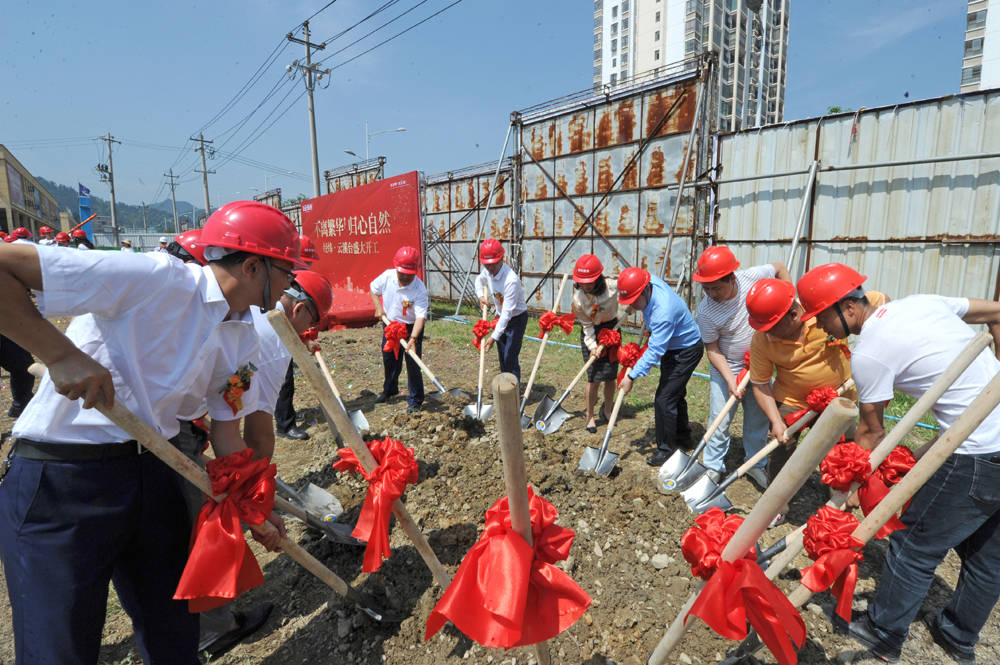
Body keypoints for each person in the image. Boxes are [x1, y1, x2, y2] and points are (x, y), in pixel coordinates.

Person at [0, 199, 302, 665]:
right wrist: (59, 354)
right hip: (62, 479)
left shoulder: (243, 334)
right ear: (252, 266)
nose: (289, 285)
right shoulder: (156, 278)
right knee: (58, 648)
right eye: (286, 272)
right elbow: (5, 267)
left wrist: (250, 504)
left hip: (152, 473)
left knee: (174, 636)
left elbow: (227, 432)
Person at [798, 263, 1000, 665]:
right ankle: (957, 634)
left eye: (820, 316)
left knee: (913, 545)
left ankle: (883, 632)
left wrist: (848, 487)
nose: (818, 327)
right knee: (987, 556)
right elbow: (998, 310)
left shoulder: (871, 351)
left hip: (976, 448)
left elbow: (871, 433)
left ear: (847, 308)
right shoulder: (922, 303)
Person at [692, 245, 789, 487]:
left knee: (757, 418)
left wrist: (789, 296)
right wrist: (730, 380)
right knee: (720, 418)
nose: (712, 293)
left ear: (732, 277)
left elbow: (779, 268)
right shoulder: (705, 311)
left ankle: (755, 464)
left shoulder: (751, 277)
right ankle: (713, 467)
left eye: (717, 287)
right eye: (706, 288)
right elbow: (712, 349)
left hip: (760, 364)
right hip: (728, 365)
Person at [616, 266, 704, 467]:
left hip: (686, 349)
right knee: (675, 394)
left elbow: (655, 351)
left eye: (635, 300)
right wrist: (632, 303)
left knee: (664, 399)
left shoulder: (663, 311)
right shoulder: (647, 281)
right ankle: (683, 437)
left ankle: (667, 450)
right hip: (674, 346)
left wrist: (631, 377)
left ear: (646, 289)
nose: (634, 306)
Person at [370, 246, 429, 414]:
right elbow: (373, 289)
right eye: (401, 273)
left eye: (408, 274)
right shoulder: (388, 276)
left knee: (413, 362)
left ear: (415, 272)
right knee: (389, 358)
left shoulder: (419, 289)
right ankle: (390, 389)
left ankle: (415, 399)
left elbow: (420, 317)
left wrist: (413, 338)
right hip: (390, 324)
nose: (403, 277)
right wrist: (378, 308)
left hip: (411, 328)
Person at [571, 254, 618, 433]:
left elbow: (630, 287)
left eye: (590, 281)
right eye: (582, 282)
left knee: (610, 375)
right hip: (592, 332)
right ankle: (590, 415)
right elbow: (586, 324)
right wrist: (592, 346)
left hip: (613, 329)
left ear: (598, 277)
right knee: (593, 377)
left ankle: (608, 409)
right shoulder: (579, 299)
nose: (586, 285)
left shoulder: (612, 287)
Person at [475, 238, 528, 381]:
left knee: (510, 356)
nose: (489, 268)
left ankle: (513, 391)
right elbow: (479, 281)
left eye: (492, 264)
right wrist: (480, 296)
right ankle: (504, 388)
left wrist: (493, 337)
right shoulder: (487, 272)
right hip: (500, 317)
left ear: (501, 259)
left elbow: (507, 314)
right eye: (486, 264)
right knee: (502, 355)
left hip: (516, 318)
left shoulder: (511, 280)